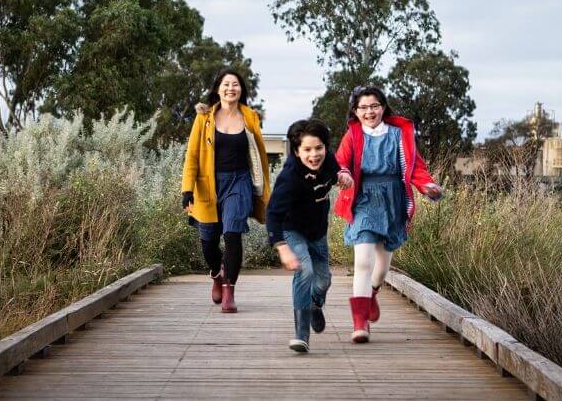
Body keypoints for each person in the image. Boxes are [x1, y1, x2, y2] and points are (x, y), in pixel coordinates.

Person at [334, 85, 443, 343]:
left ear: (383, 107)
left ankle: (372, 292)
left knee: (382, 267)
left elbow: (415, 167)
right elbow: (341, 161)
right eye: (363, 107)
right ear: (355, 111)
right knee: (362, 261)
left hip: (393, 199)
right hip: (363, 198)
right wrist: (343, 174)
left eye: (374, 106)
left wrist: (427, 186)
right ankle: (360, 323)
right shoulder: (353, 134)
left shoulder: (399, 134)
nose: (369, 112)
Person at [181, 69, 270, 313]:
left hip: (238, 182)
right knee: (208, 242)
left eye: (236, 84)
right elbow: (193, 155)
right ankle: (216, 273)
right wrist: (187, 189)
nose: (231, 88)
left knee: (232, 234)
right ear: (218, 88)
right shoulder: (204, 117)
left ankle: (230, 289)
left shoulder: (250, 117)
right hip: (208, 185)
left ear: (241, 90)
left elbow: (258, 154)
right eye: (226, 84)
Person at [266, 118, 351, 353]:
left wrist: (343, 176)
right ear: (296, 151)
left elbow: (336, 172)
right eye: (307, 150)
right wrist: (282, 248)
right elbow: (272, 214)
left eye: (319, 148)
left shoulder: (328, 159)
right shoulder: (289, 177)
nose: (314, 155)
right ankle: (301, 334)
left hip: (317, 232)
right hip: (292, 230)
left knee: (324, 280)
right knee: (305, 270)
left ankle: (315, 305)